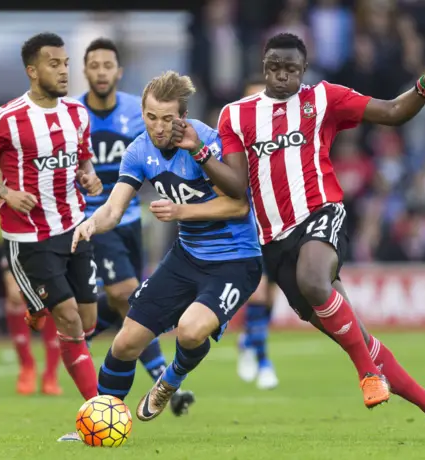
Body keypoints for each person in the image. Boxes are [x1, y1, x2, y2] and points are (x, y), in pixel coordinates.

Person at [175, 33, 425, 441]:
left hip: (320, 214)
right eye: (274, 66)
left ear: (303, 70)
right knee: (359, 339)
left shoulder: (324, 99)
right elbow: (238, 186)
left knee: (315, 281)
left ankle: (366, 375)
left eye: (290, 68)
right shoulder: (236, 115)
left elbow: (394, 112)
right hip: (272, 241)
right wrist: (201, 153)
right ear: (263, 66)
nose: (281, 75)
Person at [71, 70, 262, 424]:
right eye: (151, 117)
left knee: (190, 331)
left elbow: (238, 205)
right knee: (126, 342)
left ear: (183, 117)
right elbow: (113, 208)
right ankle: (99, 422)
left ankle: (170, 380)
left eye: (167, 119)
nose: (158, 127)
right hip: (186, 258)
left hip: (236, 260)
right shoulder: (139, 151)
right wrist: (90, 224)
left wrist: (181, 212)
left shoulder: (207, 140)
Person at [0, 32, 101, 402]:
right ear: (33, 71)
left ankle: (37, 308)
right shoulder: (4, 119)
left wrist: (90, 176)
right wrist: (6, 193)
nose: (64, 71)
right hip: (30, 238)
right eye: (54, 64)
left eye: (66, 63)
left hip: (75, 229)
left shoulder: (78, 113)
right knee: (68, 316)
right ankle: (100, 408)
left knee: (87, 321)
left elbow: (84, 159)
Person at [78, 38, 195, 416]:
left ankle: (90, 329)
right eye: (93, 65)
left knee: (123, 302)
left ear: (118, 71)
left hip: (133, 222)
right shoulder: (72, 114)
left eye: (107, 65)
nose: (100, 72)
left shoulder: (138, 110)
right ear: (85, 71)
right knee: (130, 294)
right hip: (98, 219)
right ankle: (159, 380)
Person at [0, 164, 62, 396]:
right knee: (14, 295)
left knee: (53, 298)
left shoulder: (57, 137)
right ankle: (26, 366)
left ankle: (51, 373)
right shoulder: (11, 136)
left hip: (51, 228)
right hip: (15, 228)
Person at [236, 76, 279, 390]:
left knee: (274, 293)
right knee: (259, 290)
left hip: (280, 222)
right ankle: (263, 360)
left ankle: (249, 341)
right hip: (248, 223)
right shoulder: (234, 139)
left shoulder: (280, 137)